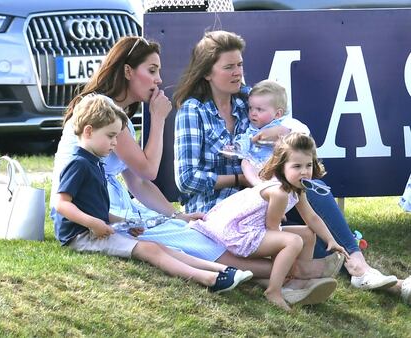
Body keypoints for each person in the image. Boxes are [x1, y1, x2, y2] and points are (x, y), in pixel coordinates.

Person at [50, 36, 340, 305]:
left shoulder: (114, 115)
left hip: (114, 203)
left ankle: (297, 271)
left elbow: (138, 182)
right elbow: (149, 172)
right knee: (190, 239)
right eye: (151, 71)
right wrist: (159, 118)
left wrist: (175, 213)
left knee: (182, 227)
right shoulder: (101, 110)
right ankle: (288, 275)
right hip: (95, 207)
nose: (159, 80)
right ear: (127, 71)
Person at [173, 30, 410, 303]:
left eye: (239, 64)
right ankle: (340, 273)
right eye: (229, 67)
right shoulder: (193, 110)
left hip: (265, 199)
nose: (238, 72)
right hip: (225, 211)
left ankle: (361, 267)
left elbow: (301, 134)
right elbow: (187, 179)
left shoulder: (248, 100)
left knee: (312, 191)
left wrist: (280, 134)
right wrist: (243, 179)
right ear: (207, 73)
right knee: (315, 238)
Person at [53, 94, 254, 293]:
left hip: (93, 228)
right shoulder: (78, 164)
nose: (115, 143)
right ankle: (211, 280)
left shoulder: (95, 163)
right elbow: (61, 203)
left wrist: (121, 222)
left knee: (159, 246)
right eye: (110, 136)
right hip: (81, 236)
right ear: (88, 131)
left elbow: (95, 207)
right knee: (150, 249)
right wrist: (92, 223)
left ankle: (224, 270)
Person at [191, 133, 348, 310]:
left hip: (255, 230)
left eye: (308, 165)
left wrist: (331, 240)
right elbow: (273, 229)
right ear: (282, 167)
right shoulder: (279, 192)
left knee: (308, 233)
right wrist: (282, 265)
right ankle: (275, 289)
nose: (304, 171)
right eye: (297, 166)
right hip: (239, 234)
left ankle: (298, 281)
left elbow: (311, 218)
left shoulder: (297, 189)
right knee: (294, 241)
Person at [226, 79, 310, 186]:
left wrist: (286, 131)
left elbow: (303, 131)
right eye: (251, 108)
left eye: (259, 109)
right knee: (245, 162)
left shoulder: (285, 122)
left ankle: (281, 182)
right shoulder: (252, 128)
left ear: (278, 113)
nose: (253, 113)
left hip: (278, 163)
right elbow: (246, 140)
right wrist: (236, 148)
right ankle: (257, 184)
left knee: (292, 160)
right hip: (258, 165)